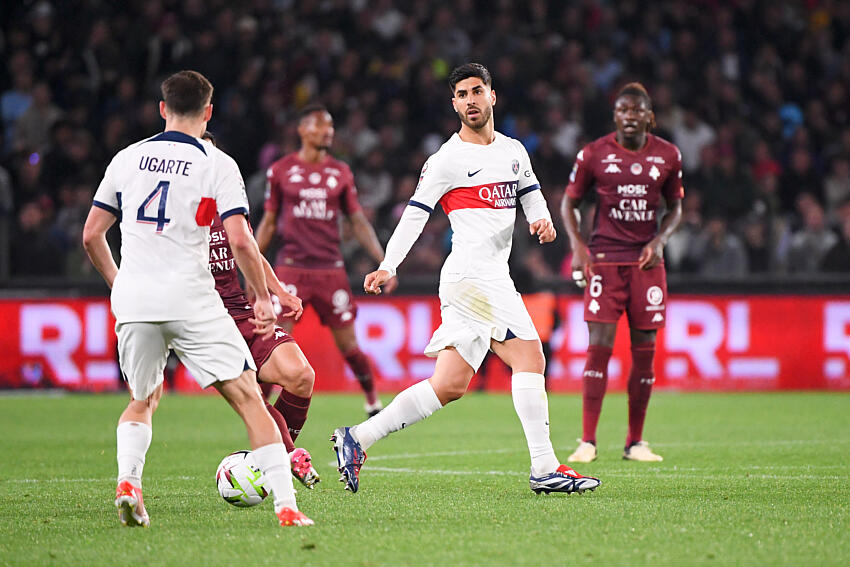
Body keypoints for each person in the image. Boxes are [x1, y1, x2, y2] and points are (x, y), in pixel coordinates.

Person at [331, 63, 600, 495]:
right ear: (453, 103)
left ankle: (357, 438)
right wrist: (389, 265)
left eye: (477, 91)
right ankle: (544, 468)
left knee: (449, 385)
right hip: (474, 277)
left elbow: (530, 194)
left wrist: (543, 223)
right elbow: (415, 215)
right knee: (531, 358)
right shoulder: (446, 160)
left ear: (492, 95)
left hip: (483, 277)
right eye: (461, 94)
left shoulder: (513, 151)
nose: (470, 100)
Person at [81, 70, 313, 527]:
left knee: (143, 399)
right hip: (191, 297)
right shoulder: (215, 163)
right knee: (250, 398)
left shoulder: (126, 158)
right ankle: (287, 508)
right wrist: (265, 299)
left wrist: (118, 282)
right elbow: (243, 241)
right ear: (208, 112)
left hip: (136, 298)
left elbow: (91, 235)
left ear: (162, 109)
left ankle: (129, 483)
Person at [560, 82, 683, 463]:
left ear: (650, 117)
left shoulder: (668, 155)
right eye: (623, 110)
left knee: (645, 355)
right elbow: (569, 204)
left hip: (647, 264)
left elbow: (676, 208)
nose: (630, 116)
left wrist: (659, 240)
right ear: (615, 116)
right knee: (599, 349)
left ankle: (635, 442)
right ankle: (587, 441)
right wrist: (579, 246)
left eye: (637, 111)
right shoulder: (593, 153)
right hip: (605, 261)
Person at [256, 104, 396, 417]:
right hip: (291, 266)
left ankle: (372, 400)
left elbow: (358, 221)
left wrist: (385, 261)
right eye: (320, 125)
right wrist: (251, 261)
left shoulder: (340, 172)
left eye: (330, 126)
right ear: (302, 130)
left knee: (349, 345)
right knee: (276, 341)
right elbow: (268, 222)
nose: (327, 131)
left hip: (330, 269)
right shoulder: (280, 170)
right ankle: (259, 406)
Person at [202, 131, 319, 489]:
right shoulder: (171, 211)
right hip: (201, 315)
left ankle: (269, 457)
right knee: (252, 394)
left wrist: (277, 293)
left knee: (301, 376)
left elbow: (248, 249)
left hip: (239, 309)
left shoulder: (227, 201)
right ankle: (286, 459)